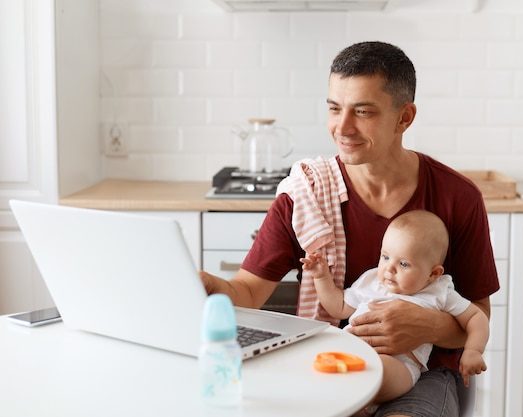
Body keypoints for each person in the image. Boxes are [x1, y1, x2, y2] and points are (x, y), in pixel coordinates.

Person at [199, 41, 500, 417]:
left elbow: (477, 314)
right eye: (334, 108)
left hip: (422, 375)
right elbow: (245, 292)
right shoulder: (305, 194)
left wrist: (429, 327)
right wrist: (208, 287)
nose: (342, 127)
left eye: (362, 111)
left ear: (404, 118)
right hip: (330, 363)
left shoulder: (458, 197)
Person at [301, 210, 489, 414]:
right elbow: (337, 306)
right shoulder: (371, 280)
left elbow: (475, 316)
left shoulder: (439, 291)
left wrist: (473, 351)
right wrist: (321, 277)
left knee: (373, 368)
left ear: (433, 273)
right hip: (350, 359)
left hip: (399, 367)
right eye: (385, 256)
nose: (389, 269)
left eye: (404, 264)